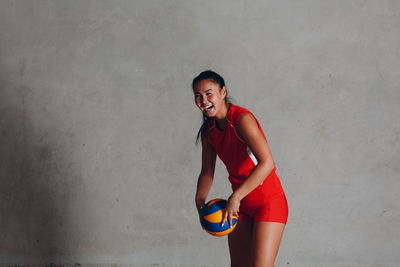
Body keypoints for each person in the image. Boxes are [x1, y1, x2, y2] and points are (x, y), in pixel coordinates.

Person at [192, 70, 288, 267]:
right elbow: (207, 172)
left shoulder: (242, 119)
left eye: (209, 93)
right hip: (239, 206)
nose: (203, 100)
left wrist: (235, 197)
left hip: (268, 202)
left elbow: (267, 163)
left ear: (223, 92)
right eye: (198, 96)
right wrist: (200, 201)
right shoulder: (208, 132)